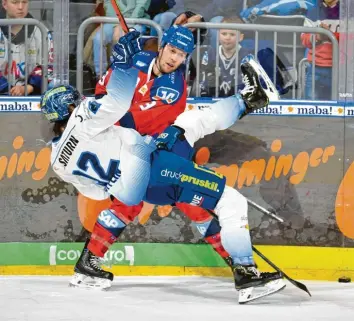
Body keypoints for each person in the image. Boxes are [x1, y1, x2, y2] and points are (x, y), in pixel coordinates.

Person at [41, 58, 284, 303]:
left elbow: (97, 194)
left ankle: (251, 97)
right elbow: (116, 103)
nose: (82, 102)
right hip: (158, 169)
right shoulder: (83, 117)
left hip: (147, 174)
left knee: (188, 123)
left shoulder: (57, 161)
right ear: (71, 108)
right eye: (77, 101)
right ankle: (247, 274)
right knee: (231, 202)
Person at [94, 25, 279, 269]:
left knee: (193, 191)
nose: (175, 58)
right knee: (138, 202)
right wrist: (118, 67)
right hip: (129, 150)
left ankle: (250, 98)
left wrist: (120, 76)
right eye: (172, 50)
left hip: (157, 149)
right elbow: (100, 100)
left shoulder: (173, 85)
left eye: (181, 54)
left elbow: (133, 119)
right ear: (161, 47)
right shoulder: (137, 60)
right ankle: (241, 266)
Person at [0, 0, 53, 95]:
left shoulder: (42, 31)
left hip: (32, 92)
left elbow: (48, 66)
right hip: (1, 91)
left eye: (24, 2)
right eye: (15, 2)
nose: (20, 7)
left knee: (55, 85)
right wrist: (6, 88)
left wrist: (29, 87)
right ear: (4, 4)